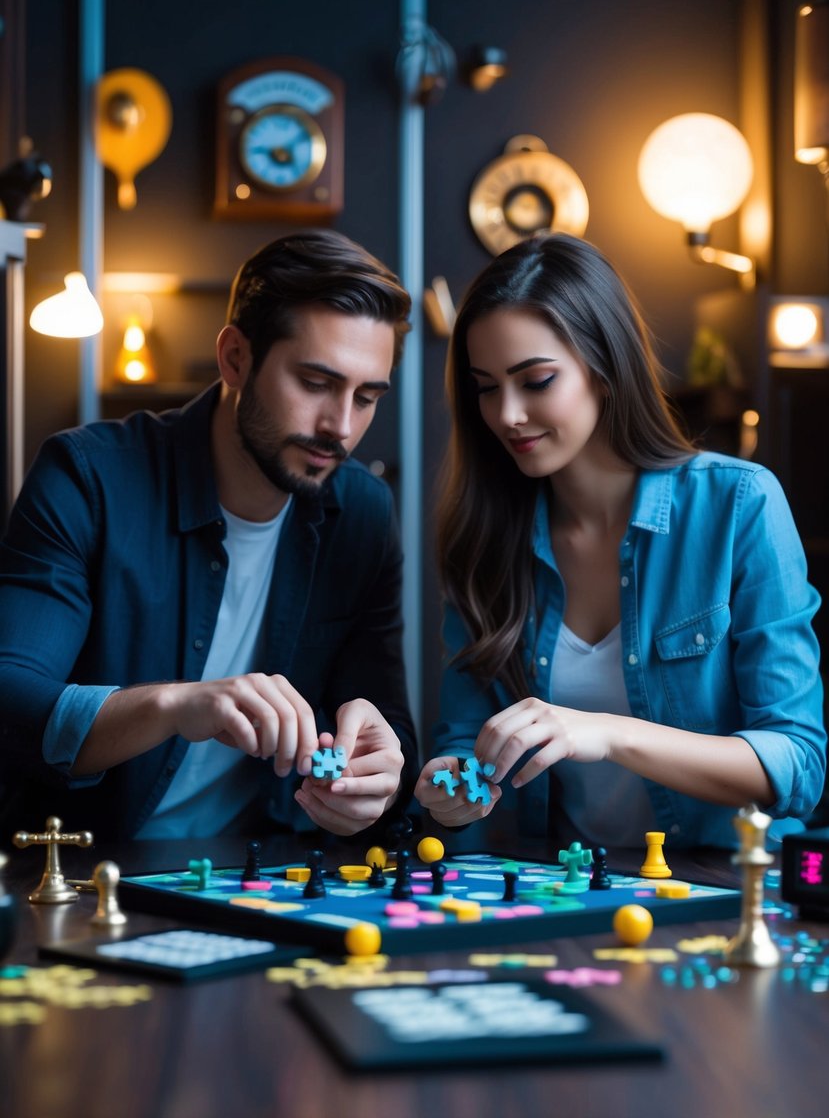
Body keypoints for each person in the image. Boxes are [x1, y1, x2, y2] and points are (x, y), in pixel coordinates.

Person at [0, 229, 418, 841]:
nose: (341, 428)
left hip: (264, 881)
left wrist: (383, 777)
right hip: (79, 870)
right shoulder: (88, 478)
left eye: (367, 397)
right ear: (235, 359)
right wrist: (176, 705)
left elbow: (390, 727)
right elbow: (11, 698)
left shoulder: (362, 511)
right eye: (316, 383)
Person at [415, 232, 825, 849]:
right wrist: (451, 790)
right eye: (487, 386)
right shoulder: (482, 536)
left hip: (719, 892)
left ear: (603, 370)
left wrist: (606, 733)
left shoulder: (740, 504)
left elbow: (797, 764)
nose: (506, 414)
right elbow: (464, 741)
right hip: (561, 897)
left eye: (536, 380)